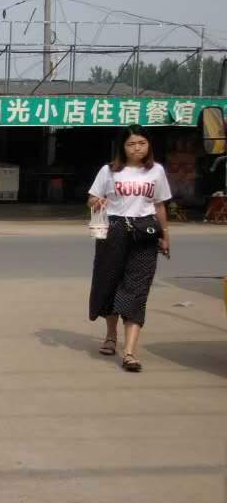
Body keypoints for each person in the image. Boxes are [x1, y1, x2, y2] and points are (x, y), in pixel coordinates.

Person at [87, 125, 171, 372]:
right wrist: (97, 201)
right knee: (110, 282)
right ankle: (111, 335)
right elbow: (91, 198)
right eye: (131, 144)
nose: (137, 148)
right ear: (122, 147)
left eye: (142, 143)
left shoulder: (156, 171)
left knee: (137, 289)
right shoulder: (109, 170)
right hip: (113, 230)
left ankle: (130, 352)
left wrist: (165, 235)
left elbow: (160, 205)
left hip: (145, 232)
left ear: (149, 145)